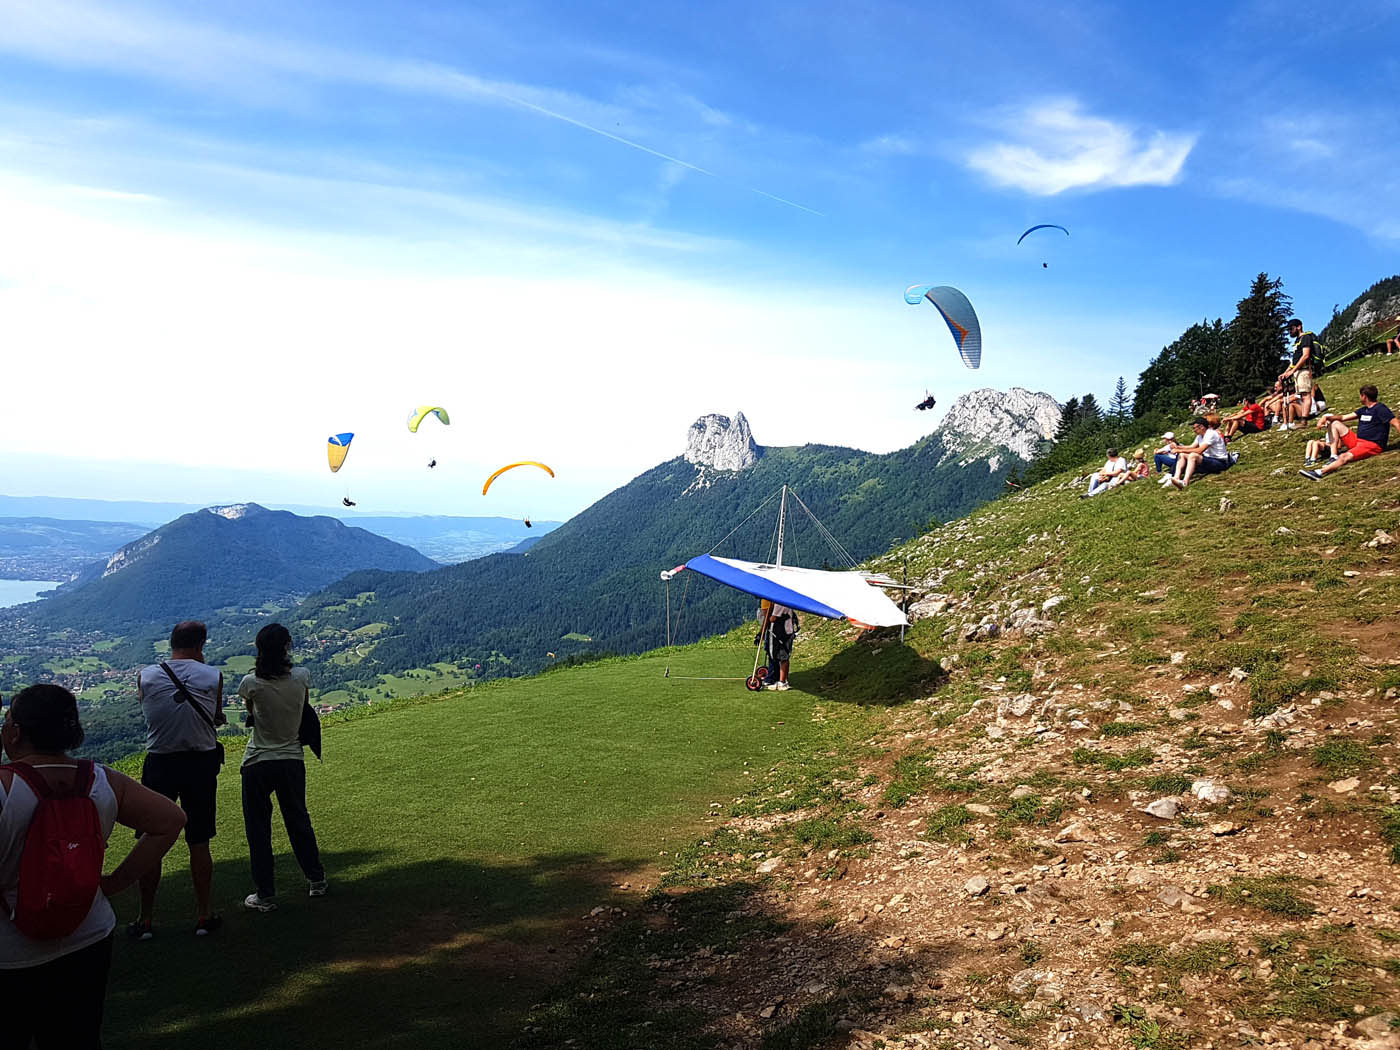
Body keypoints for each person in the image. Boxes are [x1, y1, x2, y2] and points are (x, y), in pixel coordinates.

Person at [0, 684, 185, 1049]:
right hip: (89, 932)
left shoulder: (4, 787)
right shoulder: (101, 780)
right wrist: (116, 881)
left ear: (16, 732)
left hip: (11, 948)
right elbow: (171, 819)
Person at [130, 621, 225, 939]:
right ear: (201, 645)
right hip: (200, 763)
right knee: (199, 841)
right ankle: (203, 915)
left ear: (172, 643)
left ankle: (145, 919)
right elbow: (215, 716)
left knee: (151, 840)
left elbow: (149, 708)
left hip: (159, 764)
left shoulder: (146, 675)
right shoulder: (213, 676)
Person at [237, 624, 326, 911]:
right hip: (291, 759)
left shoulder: (250, 682)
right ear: (287, 646)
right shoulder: (302, 677)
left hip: (257, 761)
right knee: (298, 820)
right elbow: (302, 711)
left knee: (258, 829)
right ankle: (316, 879)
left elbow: (253, 713)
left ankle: (264, 894)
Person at [1299, 384, 1400, 480]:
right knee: (1335, 423)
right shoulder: (1364, 410)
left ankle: (1320, 472)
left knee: (1344, 456)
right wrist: (1326, 417)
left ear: (1364, 396)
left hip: (1372, 445)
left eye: (1360, 396)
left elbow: (1396, 423)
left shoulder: (1381, 409)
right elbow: (1343, 417)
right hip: (1358, 441)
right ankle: (1333, 456)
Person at [1167, 417, 1232, 489]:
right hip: (1209, 459)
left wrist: (1179, 450)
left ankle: (1185, 482)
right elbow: (1191, 446)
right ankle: (1176, 478)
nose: (1194, 430)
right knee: (1182, 455)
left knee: (1193, 455)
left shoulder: (1211, 434)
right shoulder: (1199, 436)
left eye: (1195, 428)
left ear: (1202, 427)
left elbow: (1199, 450)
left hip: (1220, 462)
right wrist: (1177, 447)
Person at [1281, 318, 1319, 425]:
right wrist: (1286, 372)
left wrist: (1292, 371)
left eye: (1291, 329)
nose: (1290, 331)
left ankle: (1304, 421)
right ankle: (1304, 418)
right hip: (1298, 371)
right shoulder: (1297, 341)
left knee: (1306, 395)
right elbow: (1294, 361)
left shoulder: (1305, 338)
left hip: (1304, 370)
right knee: (1302, 396)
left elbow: (1305, 356)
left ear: (1299, 326)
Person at [755, 601, 798, 691]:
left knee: (782, 656)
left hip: (783, 634)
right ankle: (773, 678)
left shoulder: (780, 602)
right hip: (781, 632)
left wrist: (761, 632)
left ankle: (782, 682)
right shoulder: (782, 602)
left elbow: (772, 618)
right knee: (774, 653)